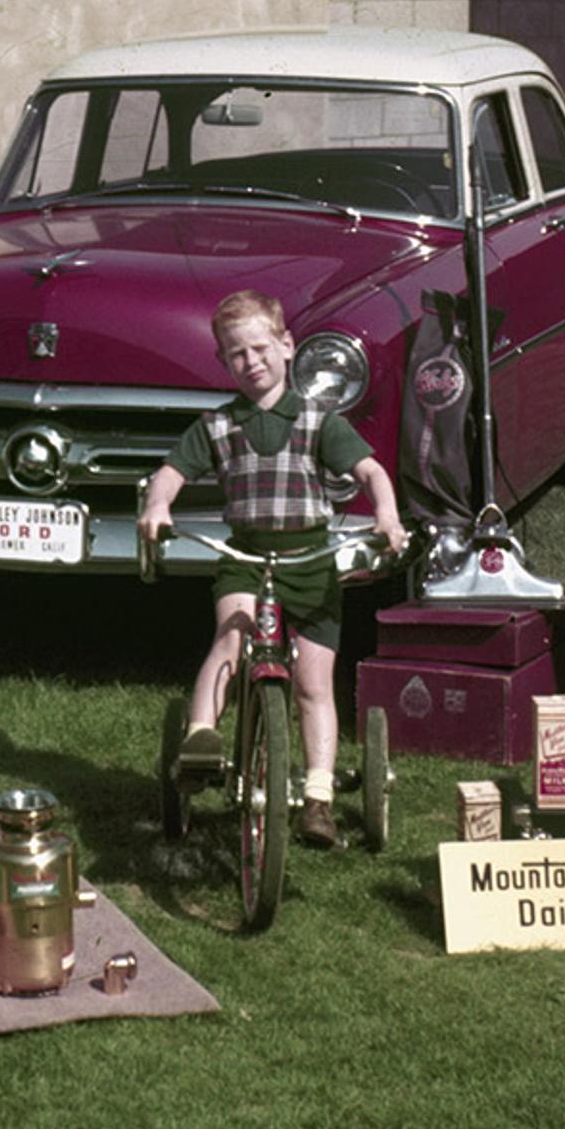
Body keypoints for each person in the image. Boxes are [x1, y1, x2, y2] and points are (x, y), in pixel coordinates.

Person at [136, 290, 410, 849]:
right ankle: (202, 740)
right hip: (246, 557)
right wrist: (158, 504)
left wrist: (386, 514)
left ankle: (317, 797)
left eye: (260, 348)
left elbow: (371, 472)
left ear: (287, 347)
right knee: (231, 637)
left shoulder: (318, 422)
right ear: (223, 362)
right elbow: (170, 473)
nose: (251, 362)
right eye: (236, 354)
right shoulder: (216, 426)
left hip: (309, 562)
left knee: (313, 681)